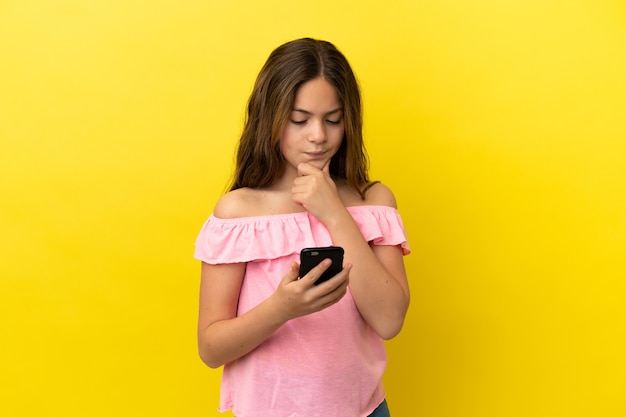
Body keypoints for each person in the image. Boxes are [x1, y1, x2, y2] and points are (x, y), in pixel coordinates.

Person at [194, 38, 410, 417]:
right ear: (270, 118)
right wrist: (282, 308)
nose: (318, 136)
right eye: (299, 120)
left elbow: (390, 320)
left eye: (333, 119)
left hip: (365, 410)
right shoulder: (239, 213)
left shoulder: (373, 201)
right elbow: (211, 349)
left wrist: (334, 213)